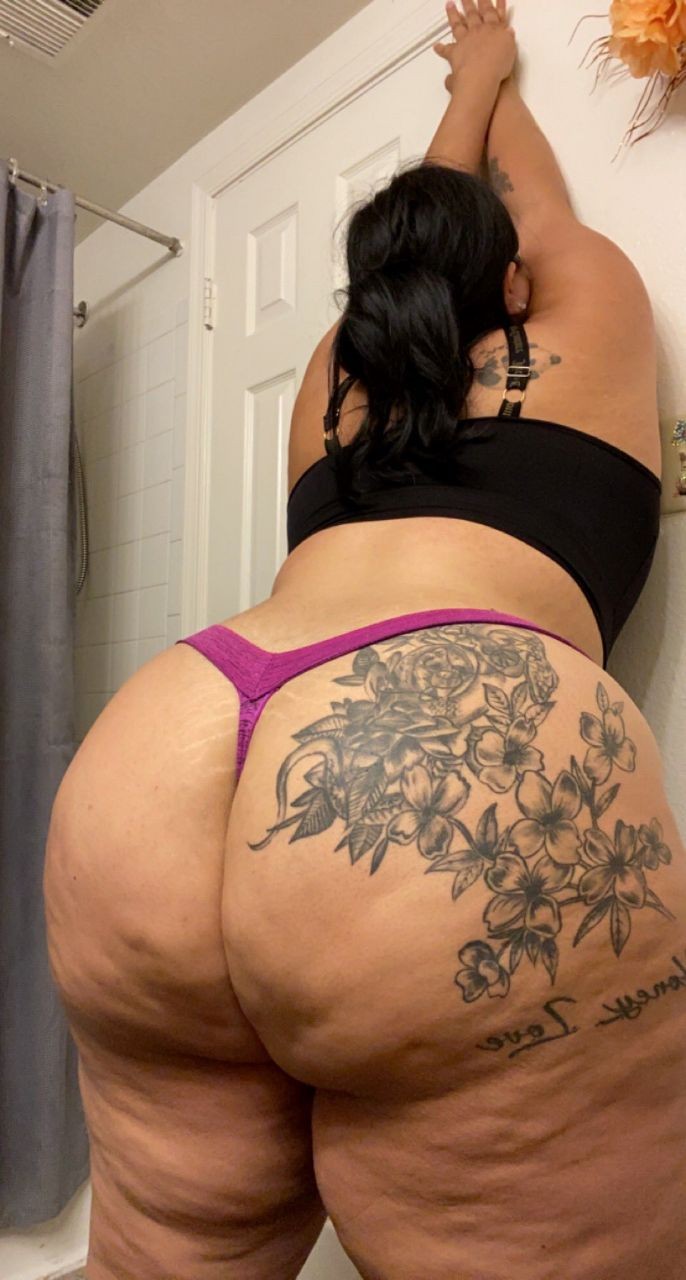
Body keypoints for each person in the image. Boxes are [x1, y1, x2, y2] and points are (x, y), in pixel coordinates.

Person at [44, 1, 686, 1277]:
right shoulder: (579, 311)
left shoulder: (335, 377)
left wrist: (458, 98)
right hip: (454, 743)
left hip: (167, 740)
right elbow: (533, 216)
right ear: (508, 279)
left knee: (159, 1256)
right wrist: (496, 80)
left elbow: (420, 252)